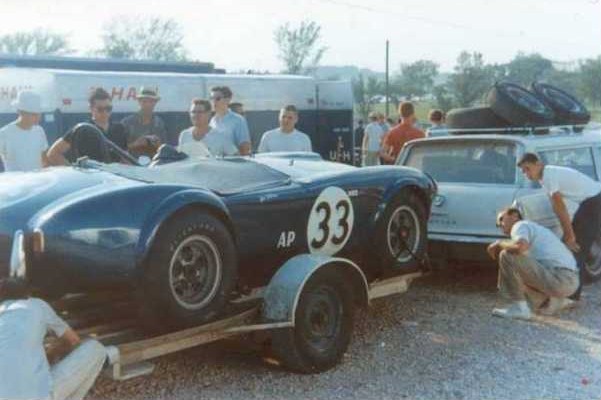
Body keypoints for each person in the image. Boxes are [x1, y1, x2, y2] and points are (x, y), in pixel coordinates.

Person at [0, 277, 106, 400]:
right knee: (96, 349)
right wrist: (49, 355)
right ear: (28, 295)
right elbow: (72, 340)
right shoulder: (37, 304)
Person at [518, 152, 601, 300]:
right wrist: (568, 233)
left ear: (538, 164)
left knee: (575, 249)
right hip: (591, 201)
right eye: (523, 171)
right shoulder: (546, 176)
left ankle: (572, 297)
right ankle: (570, 293)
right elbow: (557, 206)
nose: (526, 174)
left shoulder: (549, 175)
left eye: (528, 168)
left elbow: (559, 206)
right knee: (572, 246)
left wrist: (569, 235)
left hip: (593, 202)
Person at [487, 208, 579, 320]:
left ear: (515, 215)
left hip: (561, 277)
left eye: (501, 219)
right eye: (498, 225)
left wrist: (499, 243)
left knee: (507, 255)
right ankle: (552, 302)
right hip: (569, 281)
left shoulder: (520, 225)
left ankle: (519, 308)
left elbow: (519, 247)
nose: (500, 225)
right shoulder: (534, 230)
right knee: (518, 275)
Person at [47, 88, 129, 165]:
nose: (105, 112)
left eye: (108, 108)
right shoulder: (82, 130)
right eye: (100, 109)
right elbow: (53, 153)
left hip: (114, 178)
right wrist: (72, 169)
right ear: (91, 109)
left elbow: (125, 158)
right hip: (90, 177)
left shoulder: (119, 129)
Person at [0, 90, 49, 172]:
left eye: (39, 114)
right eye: (33, 114)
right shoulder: (4, 133)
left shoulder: (40, 131)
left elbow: (44, 160)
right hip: (16, 183)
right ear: (20, 112)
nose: (38, 117)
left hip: (38, 181)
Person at [121, 87, 167, 157]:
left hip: (153, 164)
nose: (148, 105)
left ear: (155, 103)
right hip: (131, 164)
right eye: (144, 101)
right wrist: (136, 143)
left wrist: (158, 144)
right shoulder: (127, 123)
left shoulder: (159, 123)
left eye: (151, 102)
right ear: (139, 102)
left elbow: (166, 149)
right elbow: (118, 149)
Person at [209, 86, 251, 155]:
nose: (213, 102)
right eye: (211, 98)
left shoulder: (238, 120)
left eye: (217, 98)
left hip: (232, 163)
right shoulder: (212, 121)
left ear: (227, 100)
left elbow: (245, 147)